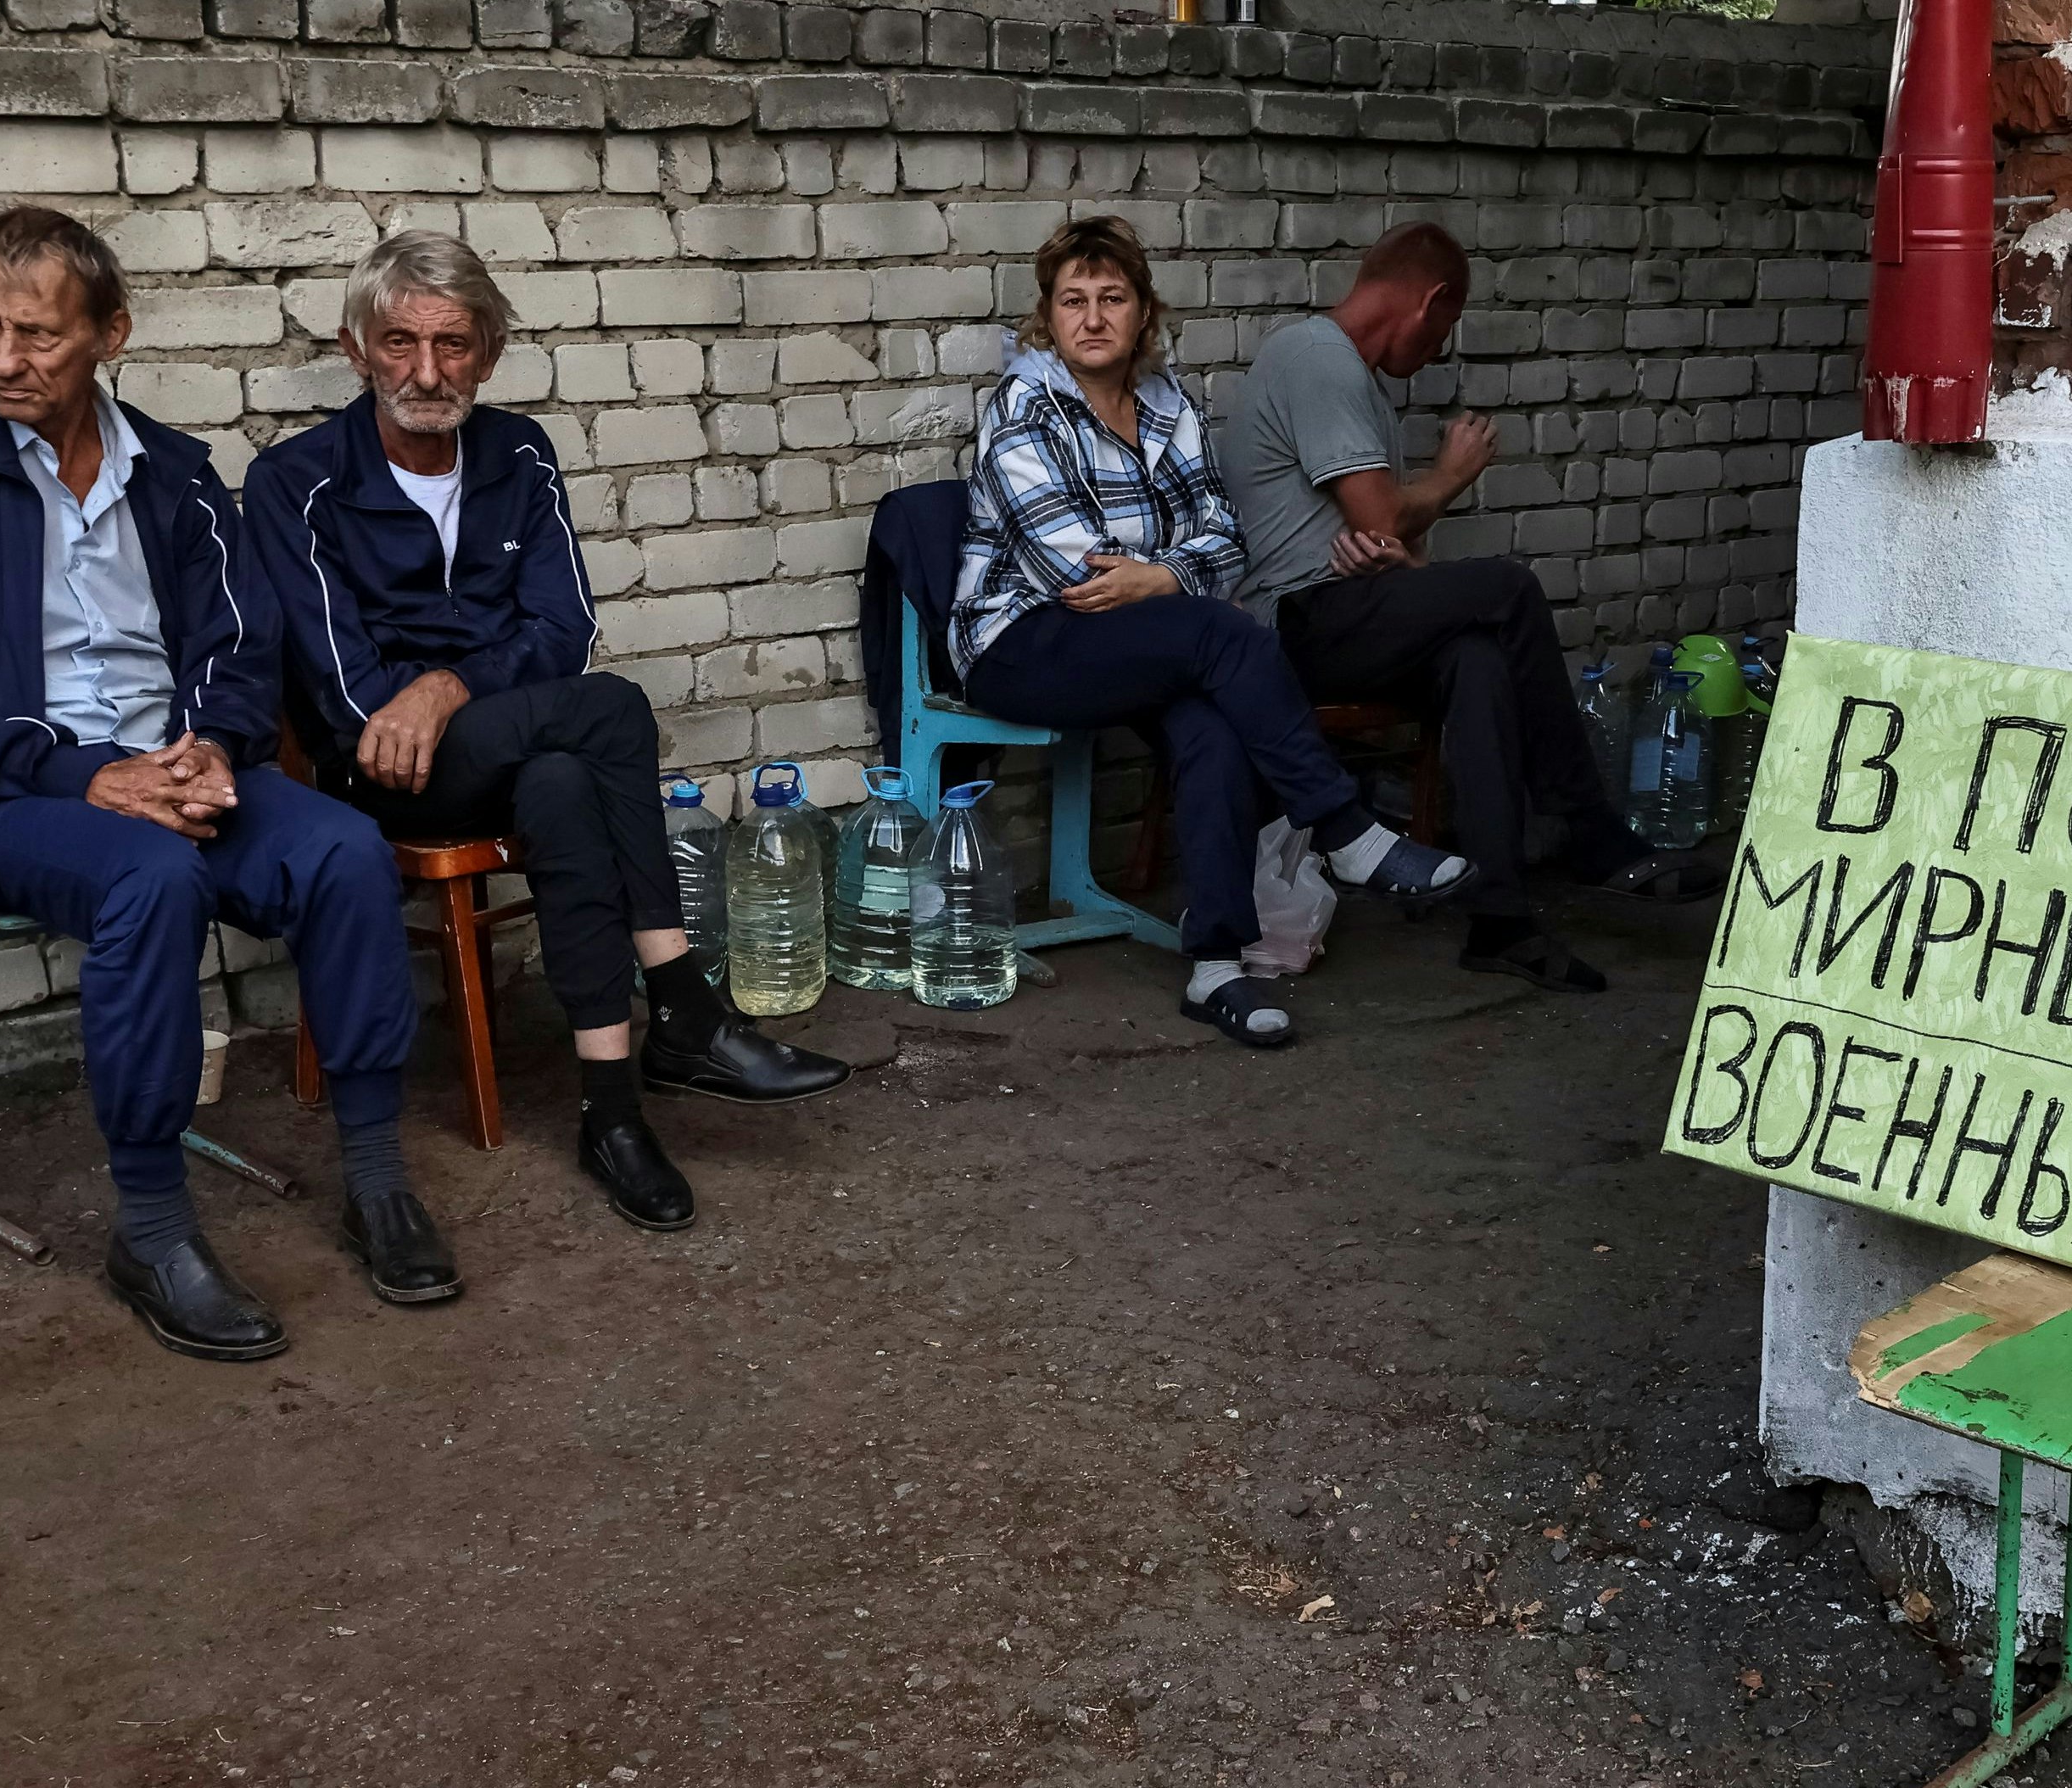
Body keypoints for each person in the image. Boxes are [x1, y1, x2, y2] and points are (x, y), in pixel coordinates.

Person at [0, 208, 444, 1361]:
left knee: (344, 851)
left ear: (111, 333)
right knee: (153, 877)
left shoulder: (174, 473)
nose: (4, 359)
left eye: (38, 334)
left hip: (164, 771)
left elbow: (240, 642)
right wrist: (85, 775)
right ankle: (153, 1230)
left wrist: (211, 742)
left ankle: (376, 1178)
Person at [247, 232, 846, 1233]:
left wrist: (444, 686)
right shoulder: (294, 484)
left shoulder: (519, 452)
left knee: (568, 777)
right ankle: (686, 1008)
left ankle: (611, 1116)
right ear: (356, 351)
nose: (428, 372)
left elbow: (561, 629)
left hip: (508, 746)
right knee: (612, 710)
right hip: (384, 776)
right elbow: (352, 700)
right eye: (400, 344)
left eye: (454, 344)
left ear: (488, 352)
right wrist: (440, 697)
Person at [952, 216, 1470, 1048]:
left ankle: (1216, 967)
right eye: (1072, 301)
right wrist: (1177, 577)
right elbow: (1072, 575)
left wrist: (1162, 574)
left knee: (1211, 726)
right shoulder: (1022, 407)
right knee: (1216, 636)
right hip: (1023, 643)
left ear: (1143, 312)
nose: (1091, 318)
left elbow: (1228, 537)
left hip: (1143, 637)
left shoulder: (1167, 405)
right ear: (1046, 317)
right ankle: (1348, 832)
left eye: (1111, 298)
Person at [1223, 221, 1723, 997]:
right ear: (1431, 301)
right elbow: (1383, 516)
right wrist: (1451, 476)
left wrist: (1393, 553)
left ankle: (1501, 919)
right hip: (1293, 626)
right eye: (1446, 329)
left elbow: (1380, 538)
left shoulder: (1351, 379)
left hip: (1353, 611)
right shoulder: (1318, 359)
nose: (1437, 349)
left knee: (1480, 660)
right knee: (1508, 586)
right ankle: (1588, 832)